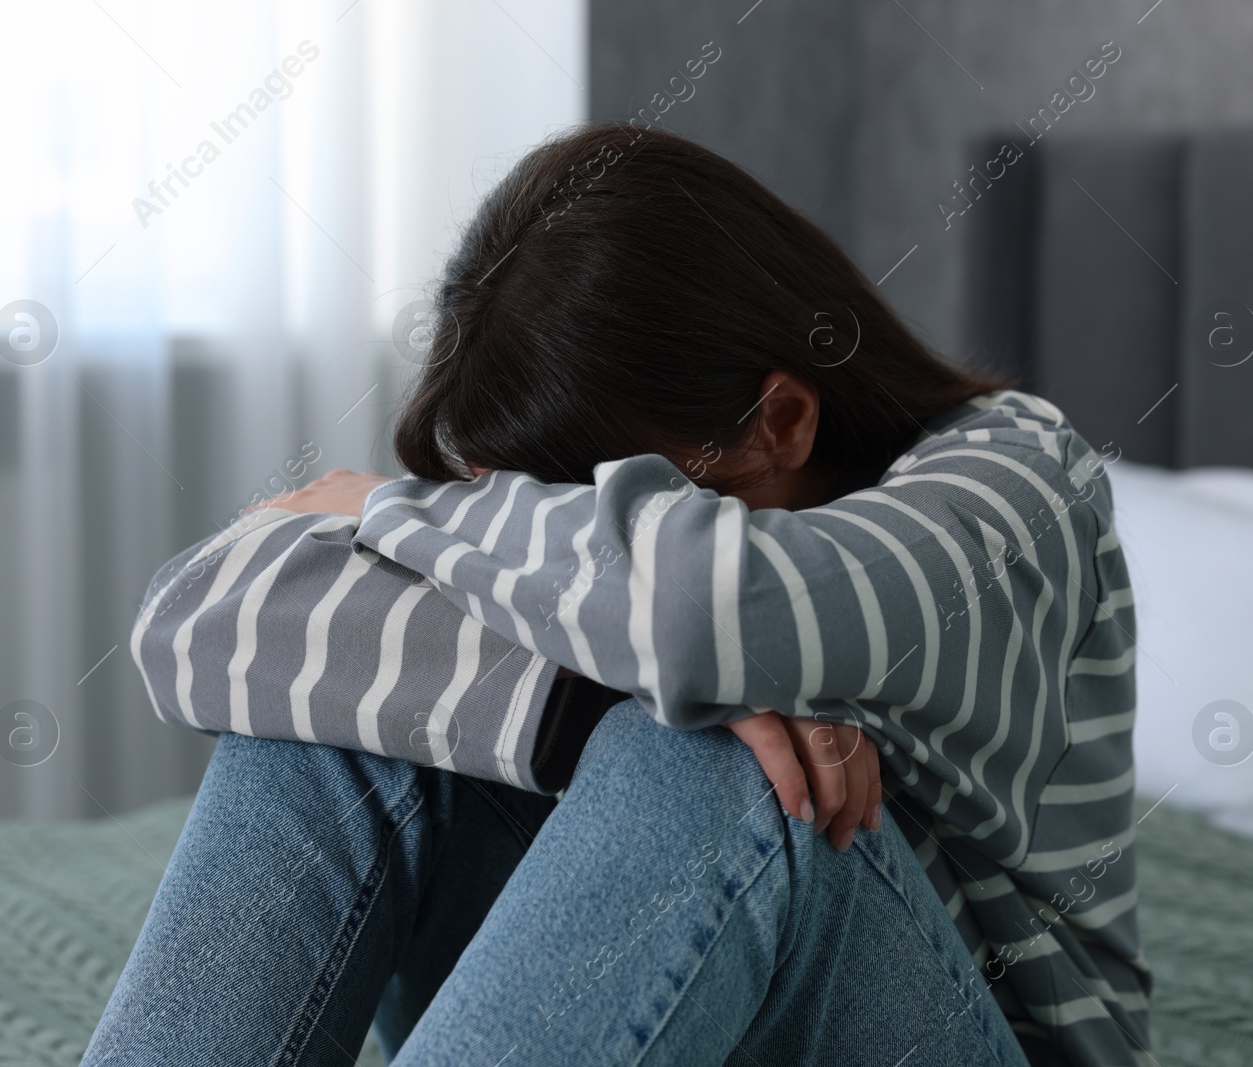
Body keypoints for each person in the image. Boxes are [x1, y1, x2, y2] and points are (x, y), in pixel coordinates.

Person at [87, 125, 1150, 1066]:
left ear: (780, 420)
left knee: (711, 751)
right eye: (520, 504)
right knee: (337, 712)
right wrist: (587, 688)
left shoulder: (1021, 481)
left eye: (607, 517)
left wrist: (385, 505)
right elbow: (189, 622)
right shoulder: (577, 550)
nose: (561, 554)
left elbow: (699, 616)